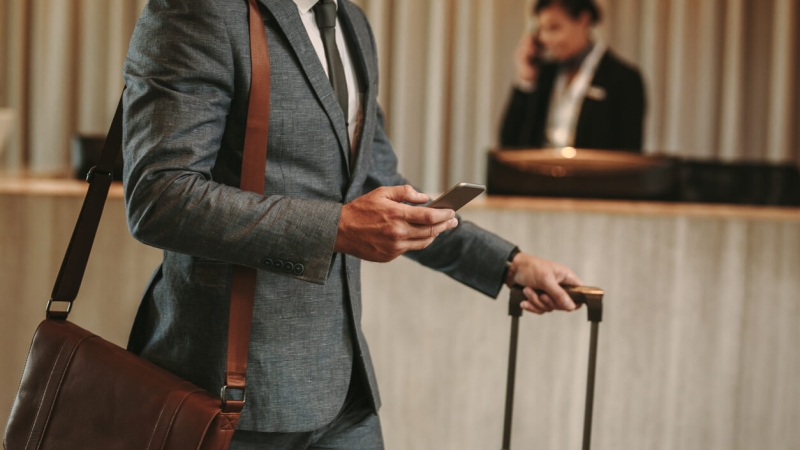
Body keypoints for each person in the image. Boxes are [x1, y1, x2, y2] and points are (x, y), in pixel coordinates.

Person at [122, 0, 583, 448]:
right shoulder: (200, 10)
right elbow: (159, 197)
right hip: (235, 390)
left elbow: (381, 182)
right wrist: (336, 228)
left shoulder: (353, 24)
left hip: (344, 387)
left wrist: (509, 265)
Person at [499, 0, 646, 152]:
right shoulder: (545, 74)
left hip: (590, 174)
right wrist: (526, 80)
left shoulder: (623, 79)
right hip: (541, 173)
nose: (545, 38)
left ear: (584, 20)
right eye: (541, 30)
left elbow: (628, 156)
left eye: (554, 28)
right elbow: (509, 143)